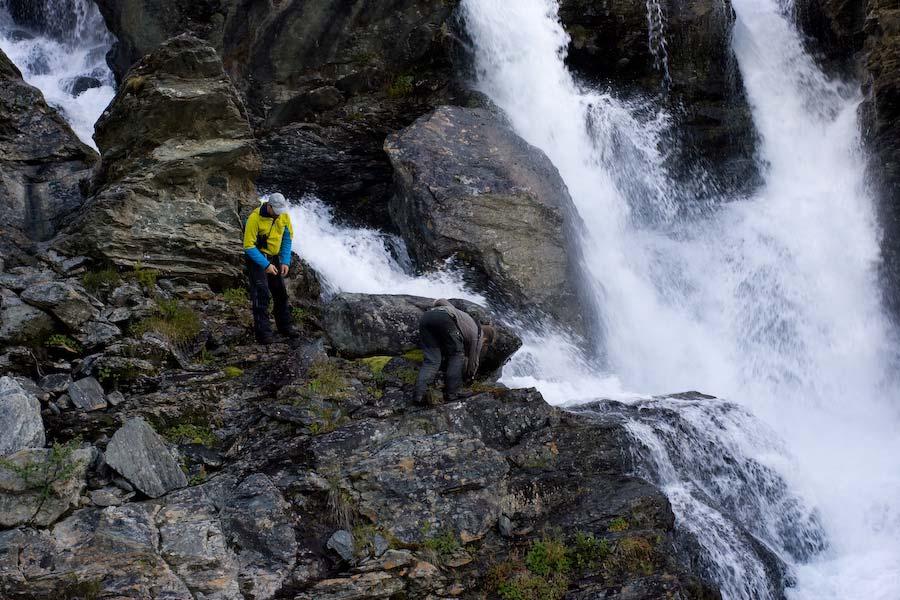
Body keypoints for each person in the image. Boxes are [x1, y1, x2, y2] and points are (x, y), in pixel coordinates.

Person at [414, 299, 495, 404]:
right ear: (486, 340)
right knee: (457, 355)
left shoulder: (464, 317)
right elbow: (473, 360)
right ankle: (453, 393)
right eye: (484, 345)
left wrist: (433, 304)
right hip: (445, 320)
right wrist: (470, 377)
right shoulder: (479, 335)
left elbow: (442, 301)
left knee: (432, 361)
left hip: (426, 318)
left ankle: (419, 395)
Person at [243, 193, 298, 344]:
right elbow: (248, 246)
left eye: (281, 210)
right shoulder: (254, 218)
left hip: (273, 258)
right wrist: (265, 265)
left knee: (280, 293)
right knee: (262, 294)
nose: (279, 214)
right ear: (268, 206)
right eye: (276, 210)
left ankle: (285, 327)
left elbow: (287, 238)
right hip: (256, 258)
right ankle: (263, 334)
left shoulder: (284, 216)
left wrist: (285, 261)